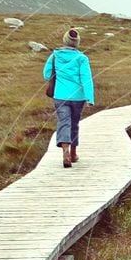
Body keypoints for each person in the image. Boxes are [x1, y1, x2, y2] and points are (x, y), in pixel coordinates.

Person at [43, 28, 95, 167]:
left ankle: (65, 151)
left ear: (65, 40)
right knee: (74, 124)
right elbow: (86, 78)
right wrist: (90, 98)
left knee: (64, 122)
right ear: (77, 42)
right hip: (78, 97)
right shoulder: (82, 58)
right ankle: (73, 154)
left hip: (60, 95)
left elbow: (47, 74)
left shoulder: (55, 56)